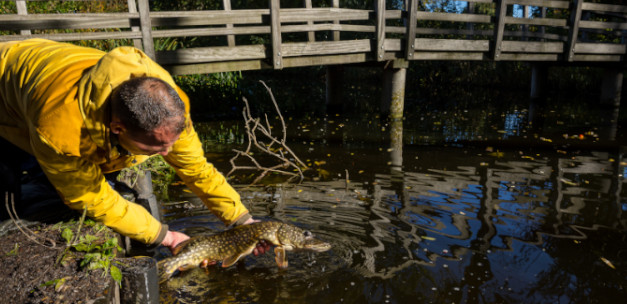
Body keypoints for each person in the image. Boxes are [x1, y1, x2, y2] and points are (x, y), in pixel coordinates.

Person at [0, 38, 268, 254]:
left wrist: (241, 221)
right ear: (117, 129)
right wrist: (165, 236)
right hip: (7, 86)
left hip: (46, 66)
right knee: (8, 174)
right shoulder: (59, 128)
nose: (166, 153)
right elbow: (91, 197)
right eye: (156, 148)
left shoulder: (170, 113)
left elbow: (197, 169)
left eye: (169, 145)